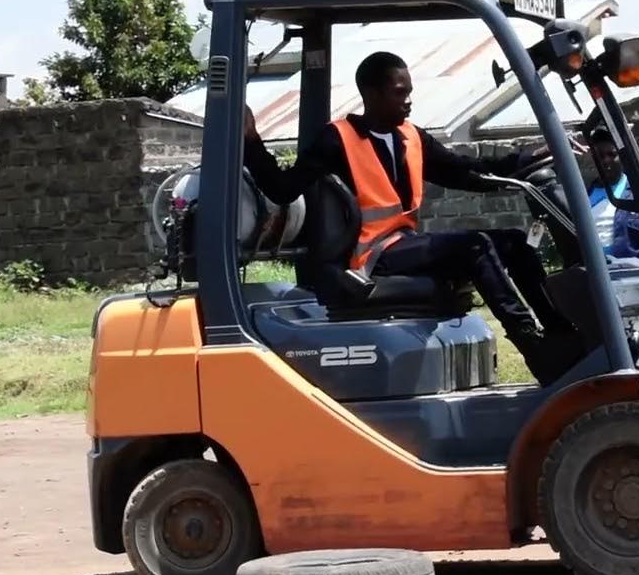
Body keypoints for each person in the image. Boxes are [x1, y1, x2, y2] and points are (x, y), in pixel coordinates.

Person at [240, 51, 582, 384]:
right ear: (371, 94)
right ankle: (532, 346)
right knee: (475, 246)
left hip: (405, 244)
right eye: (399, 92)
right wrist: (252, 140)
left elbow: (466, 172)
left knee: (514, 241)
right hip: (371, 256)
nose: (408, 101)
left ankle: (560, 332)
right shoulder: (338, 139)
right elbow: (282, 188)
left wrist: (526, 158)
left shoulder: (411, 136)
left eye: (409, 92)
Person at [579, 127, 639, 263]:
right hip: (597, 272)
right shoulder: (585, 197)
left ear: (621, 156)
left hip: (629, 273)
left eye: (611, 154)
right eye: (600, 156)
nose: (606, 161)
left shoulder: (638, 194)